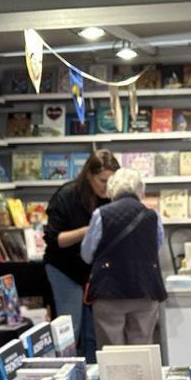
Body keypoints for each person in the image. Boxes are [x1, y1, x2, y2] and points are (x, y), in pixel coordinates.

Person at [44, 150, 119, 361]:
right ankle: (64, 376)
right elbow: (54, 239)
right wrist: (89, 229)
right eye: (103, 181)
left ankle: (92, 378)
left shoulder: (111, 197)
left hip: (94, 271)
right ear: (89, 176)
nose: (107, 187)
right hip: (64, 268)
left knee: (93, 332)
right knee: (70, 329)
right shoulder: (66, 196)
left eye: (112, 181)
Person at [81, 168, 166, 347]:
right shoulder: (153, 216)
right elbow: (156, 248)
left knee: (112, 354)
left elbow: (87, 255)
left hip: (108, 292)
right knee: (141, 350)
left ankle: (116, 376)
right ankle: (140, 376)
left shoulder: (101, 215)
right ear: (140, 190)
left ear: (111, 191)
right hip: (145, 291)